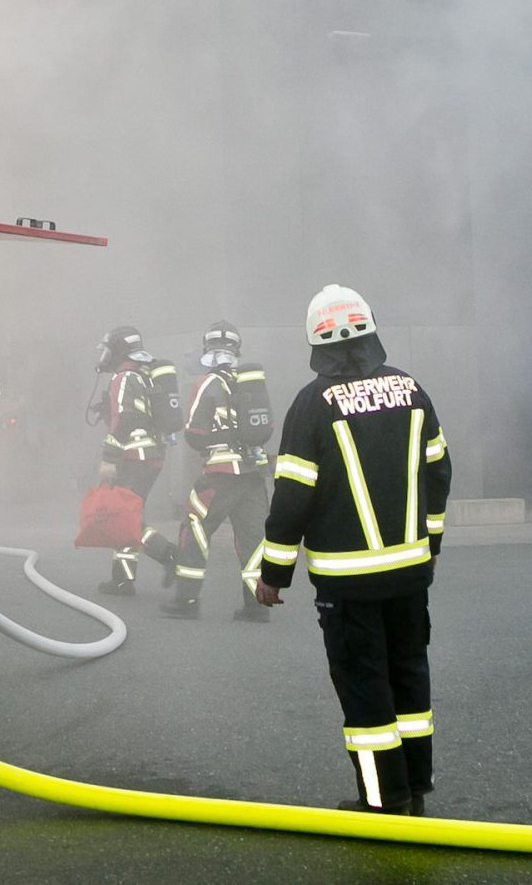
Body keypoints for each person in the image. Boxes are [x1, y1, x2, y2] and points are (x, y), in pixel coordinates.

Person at [252, 284, 452, 817]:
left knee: (365, 689)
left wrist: (274, 570)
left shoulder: (312, 404)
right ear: (371, 331)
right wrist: (430, 544)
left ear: (316, 342)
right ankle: (414, 787)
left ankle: (382, 801)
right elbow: (438, 473)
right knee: (409, 673)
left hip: (348, 581)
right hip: (410, 572)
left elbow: (292, 496)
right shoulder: (412, 391)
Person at [161, 323, 272, 622]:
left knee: (195, 528)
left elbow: (195, 433)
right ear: (237, 349)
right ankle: (257, 606)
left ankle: (186, 600)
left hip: (221, 474)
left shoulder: (207, 382)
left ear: (206, 348)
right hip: (253, 475)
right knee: (253, 541)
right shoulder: (248, 382)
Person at [93, 326, 179, 595]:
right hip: (148, 457)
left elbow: (126, 418)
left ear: (118, 350)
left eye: (108, 349)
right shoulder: (142, 374)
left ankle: (169, 555)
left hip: (135, 458)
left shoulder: (123, 377)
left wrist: (108, 459)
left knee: (124, 518)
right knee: (128, 515)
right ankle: (123, 580)